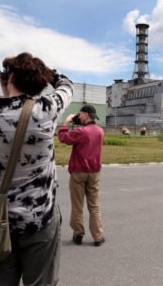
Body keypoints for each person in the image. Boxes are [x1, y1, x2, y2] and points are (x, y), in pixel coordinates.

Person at [0, 52, 73, 286]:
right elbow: (66, 85)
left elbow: (8, 107)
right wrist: (48, 74)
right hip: (38, 217)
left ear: (11, 76)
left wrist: (6, 83)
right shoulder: (45, 110)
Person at [58, 105, 105, 246]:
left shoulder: (81, 132)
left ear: (85, 114)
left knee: (77, 206)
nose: (79, 116)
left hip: (79, 172)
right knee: (94, 206)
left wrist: (66, 122)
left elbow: (63, 138)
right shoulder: (100, 131)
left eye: (80, 114)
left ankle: (78, 234)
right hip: (94, 172)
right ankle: (98, 236)